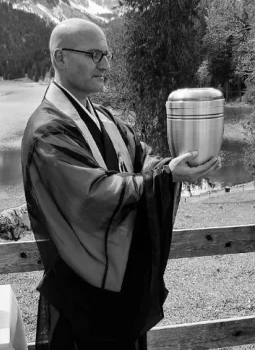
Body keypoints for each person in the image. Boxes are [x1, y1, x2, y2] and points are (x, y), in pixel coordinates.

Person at [21, 18, 219, 350]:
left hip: (120, 290)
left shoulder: (105, 118)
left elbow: (142, 160)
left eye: (108, 55)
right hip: (82, 295)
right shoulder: (47, 131)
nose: (106, 65)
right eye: (95, 55)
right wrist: (164, 176)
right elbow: (91, 196)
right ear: (60, 58)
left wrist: (169, 168)